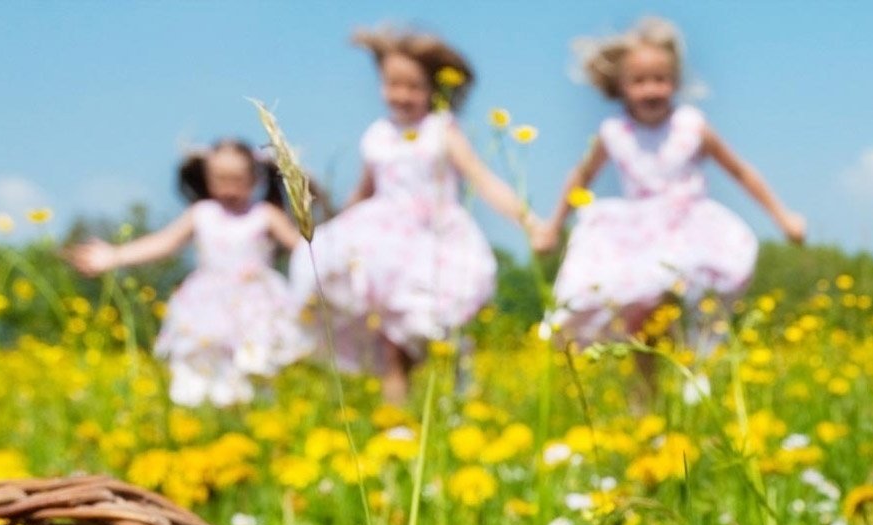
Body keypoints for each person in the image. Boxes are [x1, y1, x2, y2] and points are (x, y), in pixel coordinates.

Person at [533, 16, 804, 374]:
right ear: (621, 86)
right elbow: (580, 177)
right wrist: (553, 225)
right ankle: (647, 405)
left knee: (690, 308)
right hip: (637, 235)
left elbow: (740, 171)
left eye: (661, 80)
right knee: (643, 321)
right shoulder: (614, 131)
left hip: (690, 230)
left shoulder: (691, 125)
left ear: (675, 83)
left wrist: (783, 217)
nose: (651, 90)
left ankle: (697, 376)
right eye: (639, 81)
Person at [293, 27, 541, 404]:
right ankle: (397, 423)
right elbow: (363, 192)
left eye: (413, 86)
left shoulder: (442, 129)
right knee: (392, 342)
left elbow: (482, 179)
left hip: (435, 242)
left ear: (434, 89)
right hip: (386, 250)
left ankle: (457, 389)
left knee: (432, 329)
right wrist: (331, 235)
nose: (402, 95)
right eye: (393, 85)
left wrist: (530, 222)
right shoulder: (376, 134)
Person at [68, 139, 309, 407]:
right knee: (201, 363)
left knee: (256, 363)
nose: (229, 186)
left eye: (237, 178)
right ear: (206, 178)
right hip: (207, 305)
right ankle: (202, 416)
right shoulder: (202, 213)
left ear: (255, 178)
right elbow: (163, 243)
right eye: (220, 178)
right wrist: (114, 255)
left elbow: (304, 249)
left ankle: (257, 415)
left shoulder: (265, 214)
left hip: (257, 304)